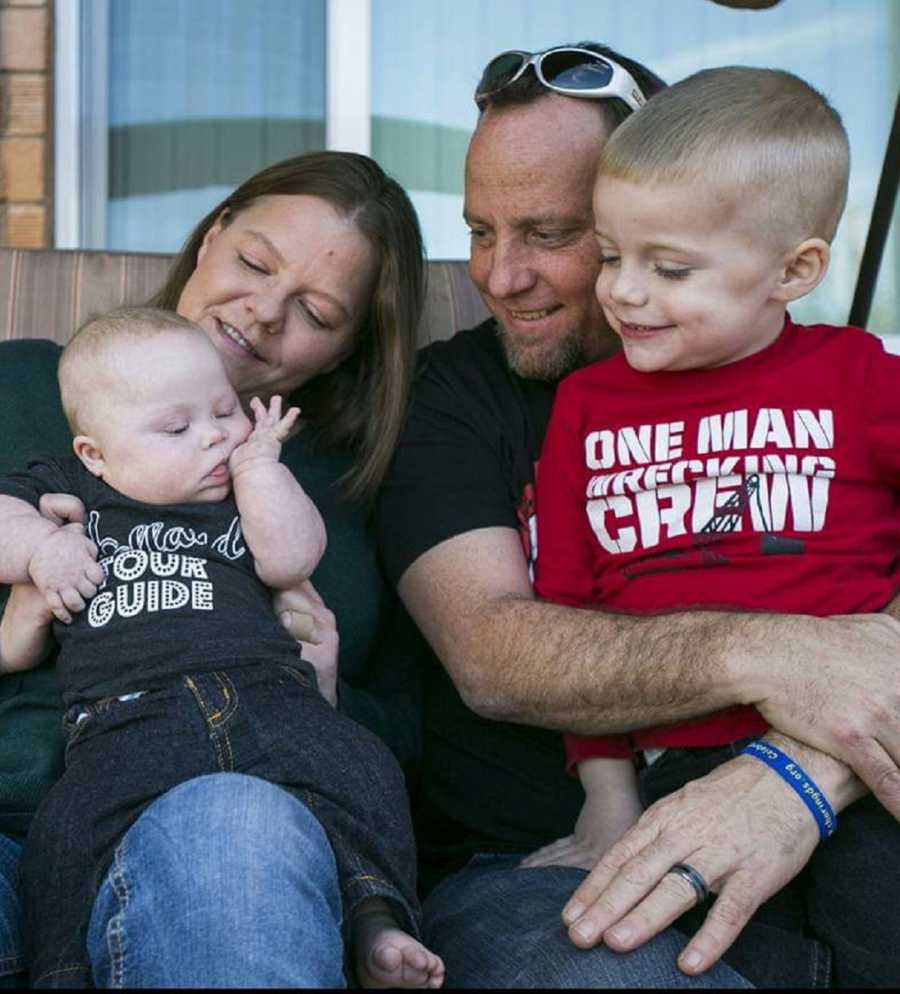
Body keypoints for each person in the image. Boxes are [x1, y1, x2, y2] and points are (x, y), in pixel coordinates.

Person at [376, 42, 900, 989]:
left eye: (550, 233)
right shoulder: (468, 396)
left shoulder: (849, 375)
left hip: (852, 793)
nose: (500, 276)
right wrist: (781, 656)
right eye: (480, 231)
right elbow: (501, 652)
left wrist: (801, 775)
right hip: (560, 849)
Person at [0, 150, 429, 987]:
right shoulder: (27, 386)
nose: (264, 312)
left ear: (346, 349)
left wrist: (331, 692)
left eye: (314, 310)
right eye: (254, 262)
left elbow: (418, 726)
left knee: (234, 833)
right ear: (210, 238)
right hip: (25, 815)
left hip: (234, 820)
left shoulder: (345, 490)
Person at [525, 66, 900, 987]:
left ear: (795, 270)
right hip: (673, 772)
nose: (625, 292)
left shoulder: (859, 377)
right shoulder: (586, 405)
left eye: (672, 268)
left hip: (862, 754)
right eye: (612, 255)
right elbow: (570, 605)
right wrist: (604, 800)